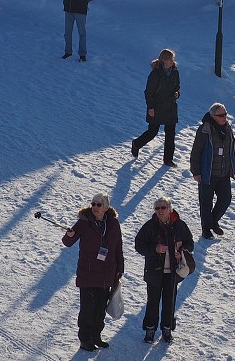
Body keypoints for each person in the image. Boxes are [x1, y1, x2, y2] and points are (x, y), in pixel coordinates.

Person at [62, 193, 125, 352]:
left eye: (98, 204)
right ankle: (85, 339)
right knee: (87, 309)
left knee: (100, 308)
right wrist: (69, 236)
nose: (95, 207)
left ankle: (96, 336)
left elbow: (118, 247)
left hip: (106, 273)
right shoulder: (84, 222)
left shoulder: (113, 224)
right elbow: (68, 242)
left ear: (106, 207)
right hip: (88, 273)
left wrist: (120, 269)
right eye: (93, 204)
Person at [133, 197, 193, 345]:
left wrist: (182, 251)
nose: (160, 211)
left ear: (170, 209)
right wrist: (154, 249)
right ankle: (150, 330)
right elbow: (138, 245)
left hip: (173, 272)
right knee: (152, 302)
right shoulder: (150, 226)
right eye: (157, 208)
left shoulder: (180, 225)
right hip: (154, 271)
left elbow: (190, 242)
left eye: (163, 208)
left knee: (169, 301)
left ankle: (167, 329)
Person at [190, 102, 235, 240]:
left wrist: (233, 165)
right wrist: (196, 172)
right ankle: (206, 230)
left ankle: (212, 222)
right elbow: (196, 152)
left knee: (225, 199)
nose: (224, 117)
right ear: (213, 116)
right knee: (206, 203)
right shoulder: (205, 130)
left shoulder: (228, 128)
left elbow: (230, 149)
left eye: (225, 114)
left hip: (223, 173)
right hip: (207, 173)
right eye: (221, 115)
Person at [131, 49, 181, 166]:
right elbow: (148, 92)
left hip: (170, 107)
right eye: (170, 59)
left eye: (173, 59)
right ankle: (136, 144)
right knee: (152, 132)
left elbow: (177, 86)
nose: (172, 61)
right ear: (163, 60)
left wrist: (177, 94)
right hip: (157, 107)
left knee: (170, 133)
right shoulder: (155, 74)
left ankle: (168, 159)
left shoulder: (175, 72)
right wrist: (151, 107)